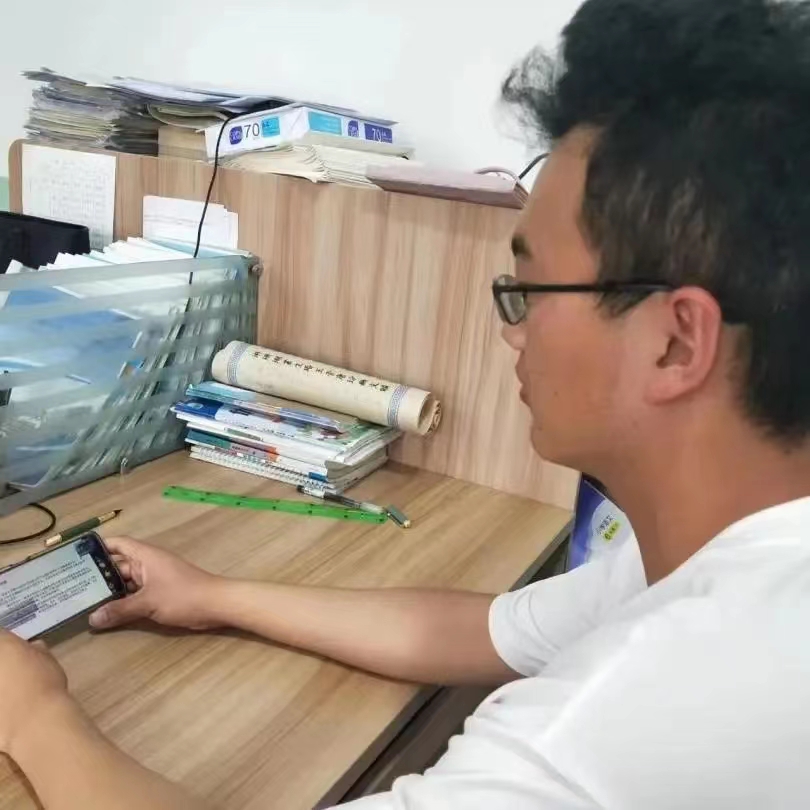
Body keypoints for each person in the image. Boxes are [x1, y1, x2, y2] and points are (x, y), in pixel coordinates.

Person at [4, 0, 810, 806]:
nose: (512, 331)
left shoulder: (646, 709)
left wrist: (33, 713)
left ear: (676, 343)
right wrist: (214, 595)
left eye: (530, 290)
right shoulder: (721, 552)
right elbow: (482, 630)